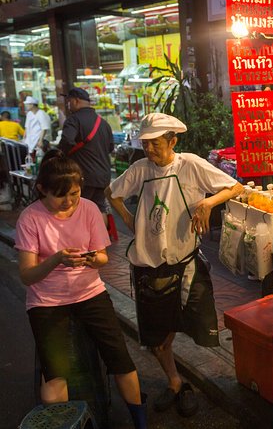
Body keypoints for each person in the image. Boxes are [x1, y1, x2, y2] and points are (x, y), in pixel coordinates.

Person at [105, 113, 243, 417]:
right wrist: (129, 221)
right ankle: (176, 382)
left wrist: (207, 203)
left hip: (185, 261)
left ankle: (181, 382)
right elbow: (111, 193)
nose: (150, 151)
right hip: (147, 264)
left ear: (173, 141)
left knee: (189, 323)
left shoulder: (190, 164)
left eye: (156, 144)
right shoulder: (140, 169)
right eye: (146, 144)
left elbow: (234, 187)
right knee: (155, 337)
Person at [14, 149, 147, 428]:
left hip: (90, 293)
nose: (69, 202)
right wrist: (57, 259)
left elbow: (102, 257)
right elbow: (27, 275)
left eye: (74, 193)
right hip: (46, 302)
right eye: (60, 195)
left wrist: (88, 259)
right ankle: (62, 423)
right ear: (41, 190)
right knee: (56, 374)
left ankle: (140, 422)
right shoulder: (30, 218)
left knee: (121, 359)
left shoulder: (88, 209)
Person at [58, 87, 114, 225]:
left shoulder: (73, 120)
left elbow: (66, 141)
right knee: (99, 208)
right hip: (104, 175)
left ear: (76, 101)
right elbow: (111, 148)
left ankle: (82, 243)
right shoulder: (103, 123)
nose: (68, 104)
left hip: (83, 176)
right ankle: (100, 241)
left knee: (78, 209)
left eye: (69, 101)